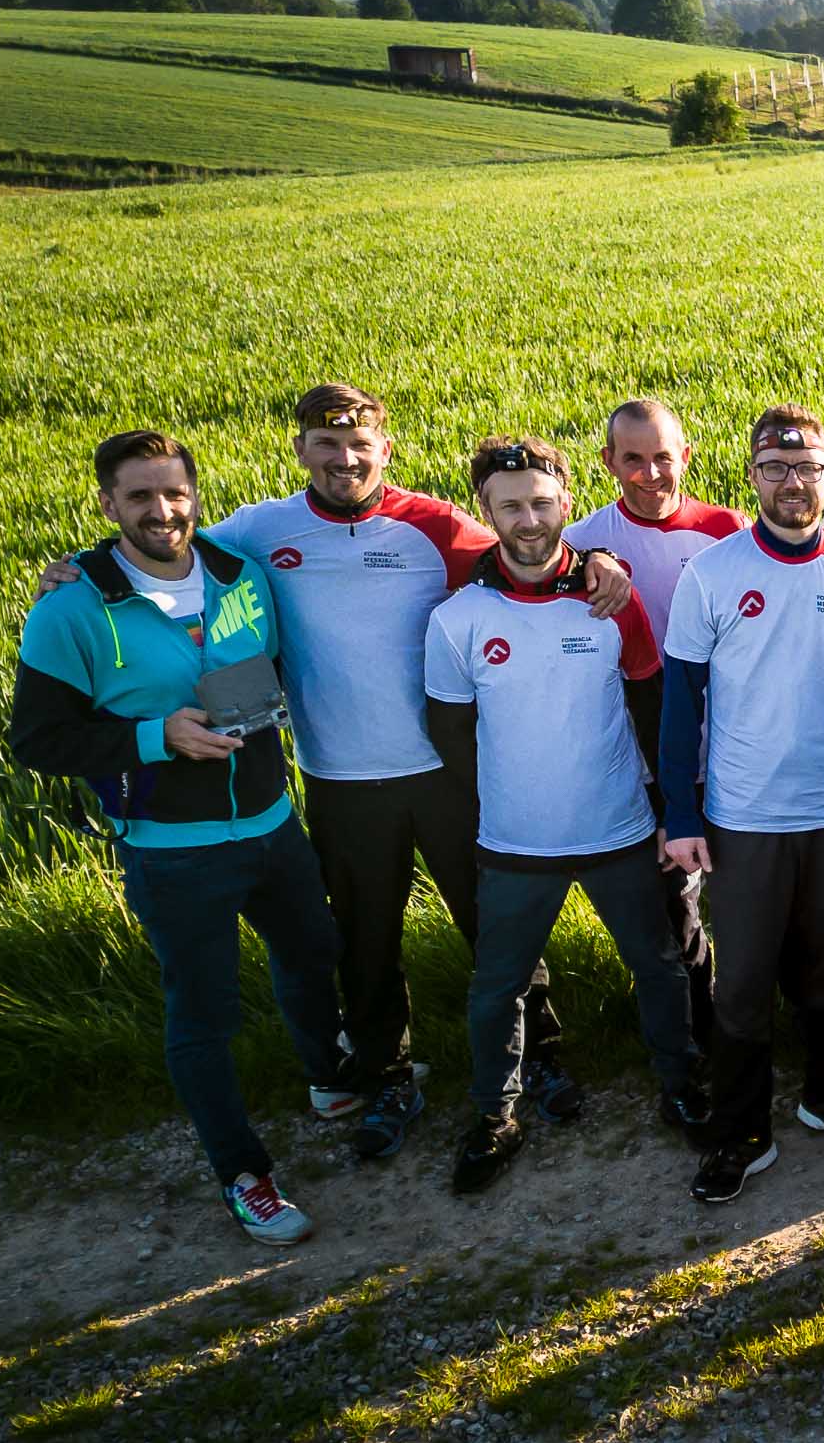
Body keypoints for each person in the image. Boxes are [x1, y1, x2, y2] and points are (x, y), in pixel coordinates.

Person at [42, 386, 633, 1152]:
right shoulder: (256, 532)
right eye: (326, 445)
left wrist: (596, 560)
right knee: (364, 940)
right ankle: (388, 1078)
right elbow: (166, 546)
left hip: (446, 773)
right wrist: (80, 568)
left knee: (496, 926)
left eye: (360, 445)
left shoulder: (431, 524)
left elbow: (526, 550)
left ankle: (542, 1059)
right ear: (300, 452)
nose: (344, 459)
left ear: (385, 450)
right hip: (340, 778)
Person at [12, 430, 345, 1246]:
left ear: (194, 494)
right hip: (171, 848)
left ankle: (332, 1081)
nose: (161, 511)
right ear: (107, 505)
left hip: (273, 822)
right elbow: (38, 740)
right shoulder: (72, 609)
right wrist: (157, 737)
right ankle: (245, 1176)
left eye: (173, 493)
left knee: (312, 955)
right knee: (205, 1017)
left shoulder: (241, 574)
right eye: (138, 497)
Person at [424, 436, 709, 1195]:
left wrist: (665, 810)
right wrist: (508, 801)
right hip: (515, 842)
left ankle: (680, 1086)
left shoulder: (613, 599)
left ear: (566, 505)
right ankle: (495, 1114)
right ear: (485, 512)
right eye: (509, 505)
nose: (527, 518)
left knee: (658, 965)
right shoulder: (458, 620)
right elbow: (451, 734)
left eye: (541, 502)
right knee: (497, 986)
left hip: (617, 827)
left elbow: (653, 709)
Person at [660, 410, 824, 1203]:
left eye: (806, 467)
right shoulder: (709, 574)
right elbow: (681, 705)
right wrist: (682, 813)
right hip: (743, 817)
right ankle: (740, 1128)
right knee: (740, 979)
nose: (791, 482)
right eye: (775, 467)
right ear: (751, 476)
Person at [564, 398, 744, 1041]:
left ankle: (757, 1017)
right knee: (678, 910)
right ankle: (700, 1036)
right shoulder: (581, 545)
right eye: (632, 459)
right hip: (646, 760)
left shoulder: (728, 530)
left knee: (747, 898)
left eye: (662, 457)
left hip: (729, 754)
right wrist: (587, 563)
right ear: (609, 462)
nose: (649, 473)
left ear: (685, 457)